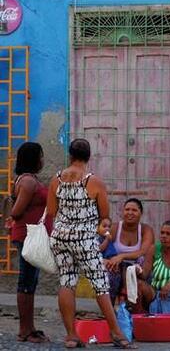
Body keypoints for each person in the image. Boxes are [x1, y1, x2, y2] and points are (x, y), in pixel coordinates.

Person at [47, 138, 136, 349]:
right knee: (100, 285)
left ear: (70, 155)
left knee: (67, 282)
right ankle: (117, 333)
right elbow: (104, 216)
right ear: (89, 157)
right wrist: (103, 225)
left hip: (60, 237)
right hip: (85, 240)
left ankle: (71, 336)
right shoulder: (93, 181)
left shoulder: (55, 180)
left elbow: (51, 212)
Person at [9, 141, 51, 343]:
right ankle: (24, 330)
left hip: (30, 236)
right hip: (28, 237)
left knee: (30, 282)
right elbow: (16, 211)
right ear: (34, 158)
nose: (43, 159)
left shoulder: (28, 180)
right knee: (26, 283)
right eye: (41, 155)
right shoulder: (28, 182)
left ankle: (30, 327)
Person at [106, 198, 154, 299]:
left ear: (141, 213)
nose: (130, 213)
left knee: (145, 276)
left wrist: (121, 256)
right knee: (111, 276)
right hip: (116, 268)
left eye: (134, 210)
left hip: (137, 269)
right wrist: (108, 261)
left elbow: (143, 252)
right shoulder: (114, 228)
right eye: (127, 209)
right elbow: (101, 248)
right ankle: (109, 309)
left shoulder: (146, 230)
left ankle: (139, 308)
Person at [97, 217, 120, 305]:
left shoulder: (110, 238)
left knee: (115, 283)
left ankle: (113, 302)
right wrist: (107, 240)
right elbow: (100, 249)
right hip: (105, 263)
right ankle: (107, 304)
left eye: (109, 226)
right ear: (97, 228)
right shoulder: (98, 239)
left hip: (113, 262)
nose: (107, 228)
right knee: (108, 283)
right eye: (104, 226)